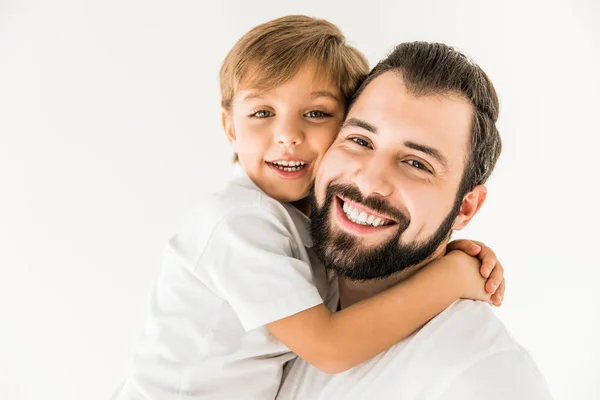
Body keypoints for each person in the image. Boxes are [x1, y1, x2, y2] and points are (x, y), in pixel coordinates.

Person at [112, 17, 505, 400]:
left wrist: (448, 253)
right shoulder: (240, 223)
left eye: (316, 114)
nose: (287, 136)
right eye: (262, 113)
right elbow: (330, 347)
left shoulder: (306, 221)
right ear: (230, 128)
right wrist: (452, 277)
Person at [277, 41, 552, 400]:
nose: (370, 182)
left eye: (417, 164)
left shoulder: (484, 378)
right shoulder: (286, 278)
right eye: (360, 139)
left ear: (465, 208)